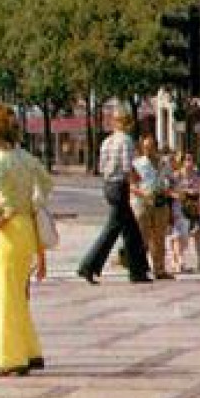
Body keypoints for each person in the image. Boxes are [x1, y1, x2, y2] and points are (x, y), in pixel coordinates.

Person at [0, 103, 51, 377]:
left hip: (9, 229)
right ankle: (29, 350)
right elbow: (46, 182)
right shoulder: (24, 157)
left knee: (5, 295)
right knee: (18, 292)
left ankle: (8, 356)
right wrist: (34, 203)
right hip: (27, 226)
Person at [77, 108, 152, 284]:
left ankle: (137, 270)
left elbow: (102, 167)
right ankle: (88, 265)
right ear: (126, 123)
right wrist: (138, 181)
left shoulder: (107, 142)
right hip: (120, 186)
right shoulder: (126, 141)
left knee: (131, 231)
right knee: (113, 230)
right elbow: (127, 168)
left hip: (109, 185)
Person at [131, 136, 174, 280]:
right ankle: (140, 269)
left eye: (151, 147)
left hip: (161, 203)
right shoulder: (137, 164)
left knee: (159, 237)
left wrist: (169, 188)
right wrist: (143, 193)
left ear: (156, 147)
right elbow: (131, 185)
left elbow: (171, 180)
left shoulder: (164, 163)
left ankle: (159, 269)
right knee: (143, 237)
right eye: (145, 147)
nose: (148, 150)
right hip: (143, 203)